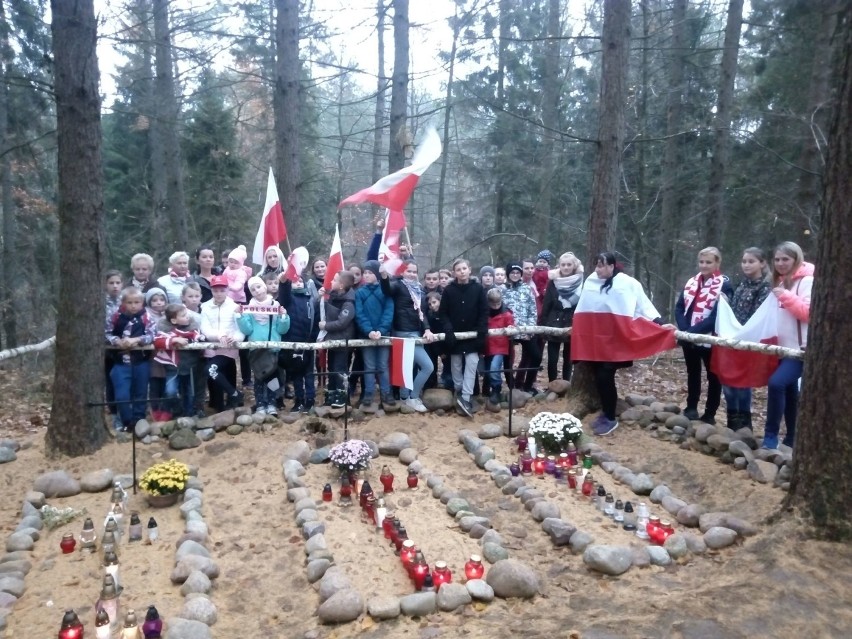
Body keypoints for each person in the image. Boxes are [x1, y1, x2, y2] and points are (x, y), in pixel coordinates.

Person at [573, 253, 675, 436]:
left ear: (611, 266)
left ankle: (610, 416)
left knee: (605, 376)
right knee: (598, 376)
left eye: (601, 266)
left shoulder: (628, 284)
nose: (597, 269)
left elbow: (643, 305)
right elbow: (584, 306)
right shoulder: (591, 281)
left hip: (616, 340)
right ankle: (606, 411)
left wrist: (660, 322)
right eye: (596, 265)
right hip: (596, 340)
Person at [762, 241, 813, 449]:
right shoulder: (781, 283)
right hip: (781, 349)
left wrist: (785, 296)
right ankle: (791, 438)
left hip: (800, 349)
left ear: (796, 259)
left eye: (786, 259)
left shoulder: (807, 281)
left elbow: (808, 313)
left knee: (777, 383)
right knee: (790, 392)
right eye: (777, 259)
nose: (781, 263)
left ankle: (770, 436)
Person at [675, 247, 733, 424]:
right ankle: (691, 406)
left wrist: (691, 333)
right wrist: (685, 330)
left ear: (717, 263)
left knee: (713, 375)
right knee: (693, 372)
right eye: (701, 262)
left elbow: (717, 315)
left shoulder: (724, 284)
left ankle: (710, 413)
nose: (704, 265)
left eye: (708, 262)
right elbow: (680, 307)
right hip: (689, 336)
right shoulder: (691, 282)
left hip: (711, 337)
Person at [722, 247, 772, 430]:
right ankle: (732, 418)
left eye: (751, 261)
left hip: (750, 339)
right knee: (727, 379)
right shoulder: (742, 284)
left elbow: (758, 315)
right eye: (744, 261)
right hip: (732, 338)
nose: (746, 265)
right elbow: (735, 309)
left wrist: (743, 333)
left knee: (743, 382)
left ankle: (744, 422)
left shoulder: (765, 286)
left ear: (762, 263)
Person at [379, 260, 436, 412]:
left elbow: (422, 313)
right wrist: (384, 275)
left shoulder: (420, 290)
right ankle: (412, 397)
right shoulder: (398, 286)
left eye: (414, 271)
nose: (411, 274)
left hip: (416, 332)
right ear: (402, 272)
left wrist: (427, 329)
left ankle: (406, 397)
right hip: (403, 332)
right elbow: (387, 290)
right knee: (426, 366)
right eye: (409, 271)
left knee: (411, 368)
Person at [439, 258, 488, 417]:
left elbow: (483, 311)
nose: (461, 271)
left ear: (469, 269)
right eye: (458, 269)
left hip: (472, 334)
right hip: (454, 334)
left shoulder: (478, 288)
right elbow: (443, 313)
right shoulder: (448, 290)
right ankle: (458, 391)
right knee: (456, 364)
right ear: (454, 273)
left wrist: (481, 332)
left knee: (472, 363)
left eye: (464, 268)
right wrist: (448, 330)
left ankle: (466, 396)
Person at [237, 277, 290, 416]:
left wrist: (284, 317)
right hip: (256, 350)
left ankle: (272, 403)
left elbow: (282, 329)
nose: (256, 291)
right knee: (259, 378)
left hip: (272, 348)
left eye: (258, 287)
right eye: (253, 289)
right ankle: (260, 404)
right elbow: (247, 330)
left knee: (273, 378)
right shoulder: (249, 308)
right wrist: (240, 316)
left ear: (265, 287)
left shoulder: (275, 305)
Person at [107, 287, 155, 431]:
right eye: (130, 302)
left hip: (141, 361)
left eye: (137, 302)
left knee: (140, 393)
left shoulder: (146, 317)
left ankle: (139, 421)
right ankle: (126, 421)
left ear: (142, 303)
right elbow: (106, 333)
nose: (133, 306)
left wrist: (137, 340)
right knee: (122, 395)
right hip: (120, 362)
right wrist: (117, 341)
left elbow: (153, 335)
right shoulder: (115, 316)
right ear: (123, 303)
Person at [200, 274, 246, 410]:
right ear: (211, 290)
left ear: (227, 290)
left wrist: (235, 338)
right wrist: (219, 336)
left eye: (222, 290)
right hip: (211, 349)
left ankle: (234, 396)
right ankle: (231, 398)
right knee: (214, 389)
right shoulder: (205, 307)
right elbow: (205, 328)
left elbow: (240, 329)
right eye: (215, 290)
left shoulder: (234, 307)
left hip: (229, 350)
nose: (219, 293)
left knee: (215, 371)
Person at [355, 260, 395, 408]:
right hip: (367, 335)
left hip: (383, 334)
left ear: (377, 274)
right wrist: (369, 331)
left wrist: (381, 330)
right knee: (369, 365)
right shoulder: (360, 292)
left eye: (370, 273)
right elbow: (359, 313)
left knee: (383, 364)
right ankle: (369, 393)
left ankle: (386, 393)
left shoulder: (385, 291)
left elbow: (389, 311)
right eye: (365, 272)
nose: (366, 275)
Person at [153, 303, 205, 419]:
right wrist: (174, 340)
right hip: (173, 367)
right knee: (171, 391)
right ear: (174, 320)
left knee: (189, 392)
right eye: (183, 315)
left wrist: (200, 339)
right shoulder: (166, 330)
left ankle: (189, 414)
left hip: (189, 366)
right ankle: (171, 409)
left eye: (187, 314)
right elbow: (157, 341)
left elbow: (197, 336)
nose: (187, 317)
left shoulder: (192, 328)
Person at [277, 273, 319, 412]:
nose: (299, 283)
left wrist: (313, 339)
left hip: (308, 343)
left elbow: (315, 320)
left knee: (309, 373)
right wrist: (284, 283)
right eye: (295, 282)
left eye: (301, 281)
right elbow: (283, 294)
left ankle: (310, 400)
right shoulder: (288, 299)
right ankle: (299, 400)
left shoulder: (311, 300)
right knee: (296, 374)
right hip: (292, 343)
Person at [541, 252, 584, 382]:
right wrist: (543, 324)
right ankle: (552, 384)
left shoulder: (581, 281)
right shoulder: (553, 282)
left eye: (569, 264)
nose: (566, 267)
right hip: (554, 320)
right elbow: (547, 303)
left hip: (573, 321)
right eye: (563, 265)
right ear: (559, 266)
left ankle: (566, 383)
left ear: (574, 265)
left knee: (569, 357)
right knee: (552, 358)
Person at [317, 270, 356, 408]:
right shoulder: (333, 296)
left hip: (342, 341)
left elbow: (342, 322)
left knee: (340, 368)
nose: (331, 282)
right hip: (332, 340)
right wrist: (320, 296)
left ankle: (342, 397)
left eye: (334, 280)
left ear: (341, 285)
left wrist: (326, 326)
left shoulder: (348, 303)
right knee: (332, 368)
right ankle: (331, 394)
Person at [503, 262, 542, 395]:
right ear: (508, 274)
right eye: (512, 272)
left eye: (517, 273)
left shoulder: (526, 289)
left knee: (535, 356)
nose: (515, 275)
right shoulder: (502, 289)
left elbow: (533, 310)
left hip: (525, 329)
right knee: (507, 359)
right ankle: (512, 386)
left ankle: (528, 385)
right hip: (507, 330)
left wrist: (530, 329)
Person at [483, 288, 514, 405]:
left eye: (498, 304)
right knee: (487, 369)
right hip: (487, 346)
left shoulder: (507, 313)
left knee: (494, 368)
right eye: (493, 304)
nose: (496, 307)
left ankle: (496, 389)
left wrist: (511, 327)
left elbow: (511, 324)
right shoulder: (484, 313)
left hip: (501, 346)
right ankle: (487, 390)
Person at [145, 287, 169, 420]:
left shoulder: (169, 314)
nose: (158, 302)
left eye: (161, 299)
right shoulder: (146, 315)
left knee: (166, 382)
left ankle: (165, 409)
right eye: (154, 300)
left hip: (168, 354)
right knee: (154, 382)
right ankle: (154, 409)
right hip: (153, 355)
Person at [104, 270, 124, 430]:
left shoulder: (127, 301)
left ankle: (128, 414)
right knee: (111, 382)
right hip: (108, 349)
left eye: (118, 283)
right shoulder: (100, 303)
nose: (115, 286)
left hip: (128, 348)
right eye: (111, 283)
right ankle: (114, 414)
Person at [424, 291, 454, 390]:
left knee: (450, 368)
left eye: (434, 302)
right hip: (439, 346)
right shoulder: (430, 316)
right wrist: (440, 352)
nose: (432, 305)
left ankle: (450, 388)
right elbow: (433, 334)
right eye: (429, 304)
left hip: (451, 345)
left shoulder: (449, 313)